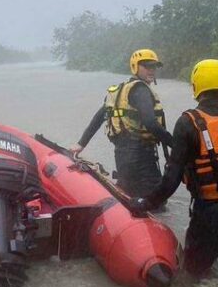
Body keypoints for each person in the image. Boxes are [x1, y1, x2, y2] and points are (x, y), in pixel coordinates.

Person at [131, 59, 218, 287]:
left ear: (195, 86)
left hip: (208, 217)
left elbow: (171, 180)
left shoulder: (187, 123)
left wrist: (146, 202)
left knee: (193, 279)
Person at [70, 49, 173, 199]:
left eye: (154, 66)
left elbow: (99, 117)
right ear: (135, 67)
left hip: (122, 154)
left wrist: (81, 144)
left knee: (129, 194)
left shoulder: (119, 90)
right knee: (156, 203)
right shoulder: (141, 90)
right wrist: (176, 144)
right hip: (141, 156)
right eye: (146, 66)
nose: (151, 70)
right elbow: (151, 123)